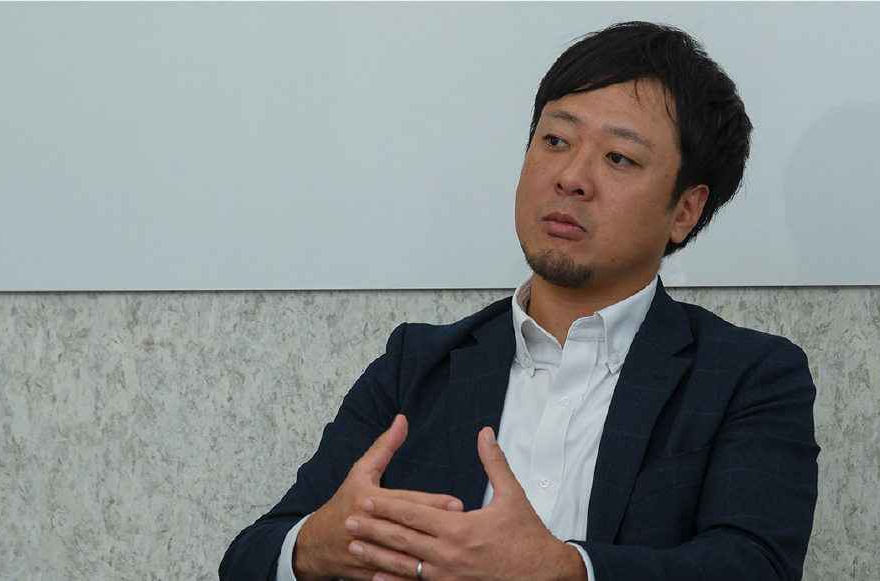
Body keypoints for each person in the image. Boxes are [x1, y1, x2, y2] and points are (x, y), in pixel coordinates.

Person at [220, 21, 819, 581]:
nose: (571, 177)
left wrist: (565, 569)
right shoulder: (417, 364)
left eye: (618, 157)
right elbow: (251, 556)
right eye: (555, 140)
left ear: (685, 210)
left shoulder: (749, 376)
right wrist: (317, 544)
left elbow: (756, 564)